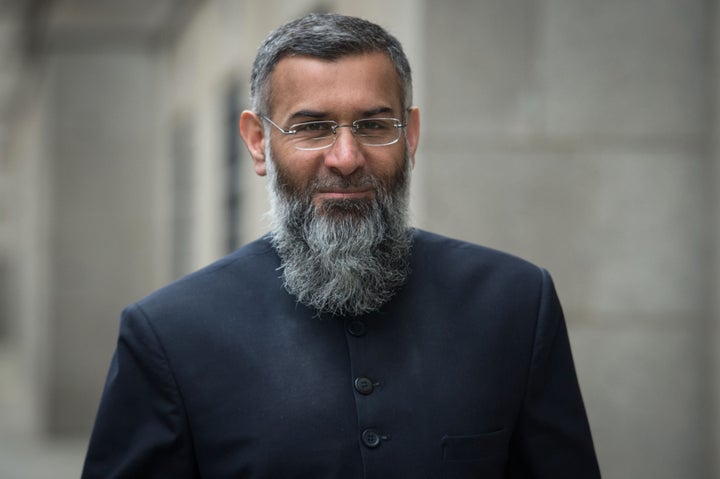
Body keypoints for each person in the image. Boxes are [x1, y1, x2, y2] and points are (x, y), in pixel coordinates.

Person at [82, 13, 601, 479]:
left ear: (411, 135)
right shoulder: (169, 333)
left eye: (374, 125)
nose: (347, 157)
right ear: (259, 141)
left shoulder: (513, 303)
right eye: (312, 128)